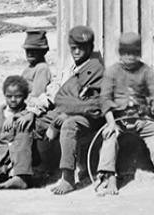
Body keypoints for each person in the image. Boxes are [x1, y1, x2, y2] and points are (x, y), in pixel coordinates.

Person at [95, 32, 154, 195]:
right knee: (109, 137)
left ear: (139, 53)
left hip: (141, 119)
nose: (130, 57)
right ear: (120, 53)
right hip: (118, 120)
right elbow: (105, 99)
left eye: (134, 53)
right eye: (126, 53)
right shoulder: (111, 71)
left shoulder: (147, 71)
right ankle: (109, 176)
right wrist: (111, 122)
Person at [36, 25, 105, 195]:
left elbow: (95, 105)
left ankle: (68, 178)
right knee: (36, 122)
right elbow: (60, 98)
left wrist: (68, 112)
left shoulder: (95, 70)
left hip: (88, 118)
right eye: (73, 48)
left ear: (90, 48)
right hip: (67, 111)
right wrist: (62, 109)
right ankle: (38, 167)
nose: (76, 52)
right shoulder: (71, 69)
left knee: (69, 126)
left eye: (81, 48)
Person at [0, 29, 53, 156]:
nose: (30, 53)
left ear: (43, 51)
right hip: (16, 106)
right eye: (27, 50)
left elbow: (36, 96)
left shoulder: (42, 69)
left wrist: (15, 114)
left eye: (34, 50)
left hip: (26, 111)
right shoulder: (29, 68)